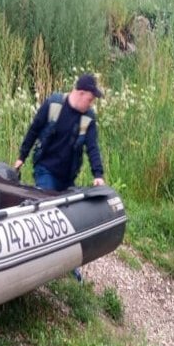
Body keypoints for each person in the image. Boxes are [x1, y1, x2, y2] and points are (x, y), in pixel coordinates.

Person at [13, 73, 106, 281]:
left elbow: (92, 148)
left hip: (67, 176)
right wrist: (22, 156)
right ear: (80, 93)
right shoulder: (54, 105)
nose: (91, 104)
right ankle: (36, 262)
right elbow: (34, 130)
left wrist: (98, 175)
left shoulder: (87, 118)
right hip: (45, 169)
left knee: (65, 219)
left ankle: (67, 265)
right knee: (48, 210)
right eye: (90, 99)